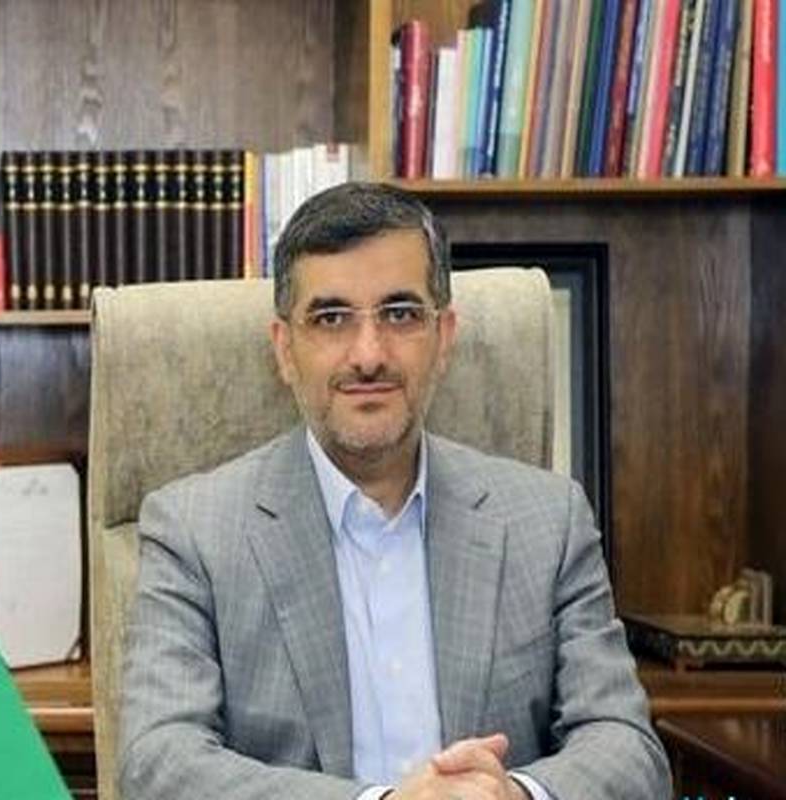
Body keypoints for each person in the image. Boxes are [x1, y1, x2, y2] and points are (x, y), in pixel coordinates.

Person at [118, 183, 671, 799]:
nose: (368, 355)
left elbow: (628, 749)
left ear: (445, 336)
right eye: (331, 318)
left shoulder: (548, 521)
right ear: (284, 349)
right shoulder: (194, 530)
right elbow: (157, 763)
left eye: (400, 313)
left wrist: (513, 795)